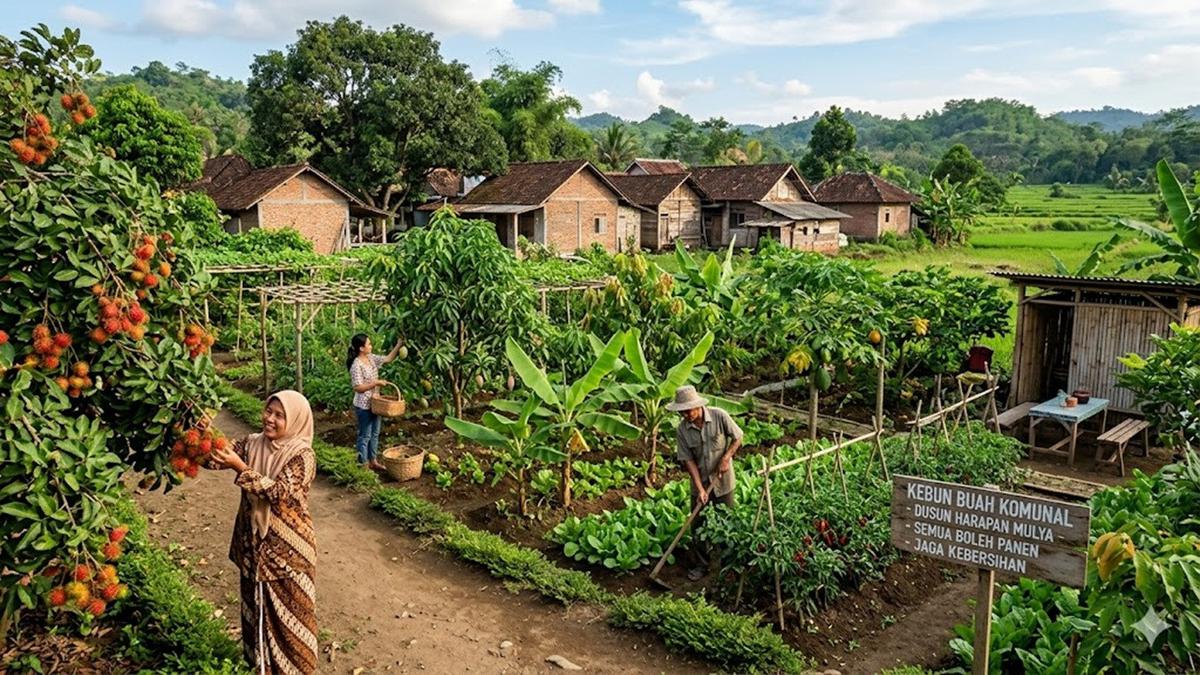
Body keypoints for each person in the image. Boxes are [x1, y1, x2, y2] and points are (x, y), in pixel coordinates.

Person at [209, 390, 318, 675]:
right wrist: (199, 433)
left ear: (295, 420)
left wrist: (240, 467)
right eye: (268, 411)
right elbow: (215, 458)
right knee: (255, 611)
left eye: (279, 415)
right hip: (252, 547)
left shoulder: (303, 456)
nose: (269, 419)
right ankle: (260, 667)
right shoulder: (252, 443)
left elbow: (280, 493)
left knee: (293, 620)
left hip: (288, 553)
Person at [668, 384, 743, 581]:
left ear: (697, 406)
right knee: (698, 525)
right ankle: (702, 564)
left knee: (727, 521)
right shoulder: (683, 430)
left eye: (687, 411)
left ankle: (727, 566)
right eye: (681, 413)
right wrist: (700, 488)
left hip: (723, 481)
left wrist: (726, 457)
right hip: (699, 481)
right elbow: (688, 461)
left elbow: (738, 437)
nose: (685, 415)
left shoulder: (719, 416)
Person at [347, 333, 403, 471]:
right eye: (369, 344)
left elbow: (388, 359)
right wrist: (375, 383)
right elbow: (358, 387)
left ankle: (373, 461)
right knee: (364, 435)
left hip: (375, 404)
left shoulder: (371, 358)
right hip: (363, 405)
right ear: (361, 348)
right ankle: (363, 464)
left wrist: (399, 344)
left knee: (375, 434)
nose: (371, 346)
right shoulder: (356, 365)